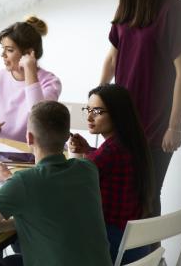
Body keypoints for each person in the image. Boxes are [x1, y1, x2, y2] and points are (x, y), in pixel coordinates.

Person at [100, 0, 181, 217]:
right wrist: (97, 101)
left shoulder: (174, 10)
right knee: (123, 190)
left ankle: (151, 257)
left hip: (156, 122)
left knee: (149, 195)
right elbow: (112, 56)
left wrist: (174, 125)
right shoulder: (128, 3)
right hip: (124, 116)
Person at [0, 101, 112, 266]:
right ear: (67, 136)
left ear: (29, 138)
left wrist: (18, 221)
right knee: (12, 260)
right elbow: (60, 193)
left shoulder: (24, 182)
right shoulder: (88, 169)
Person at [69, 84, 154, 264]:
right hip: (135, 244)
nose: (90, 117)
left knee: (26, 234)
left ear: (117, 114)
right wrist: (88, 150)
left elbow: (68, 181)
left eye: (98, 111)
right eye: (88, 110)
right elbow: (106, 164)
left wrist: (75, 154)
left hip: (112, 247)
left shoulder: (109, 152)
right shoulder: (130, 143)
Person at [0, 16, 62, 142]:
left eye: (9, 50)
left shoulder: (50, 82)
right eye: (3, 49)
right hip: (4, 148)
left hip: (37, 152)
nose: (3, 55)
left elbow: (38, 116)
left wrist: (29, 68)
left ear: (28, 53)